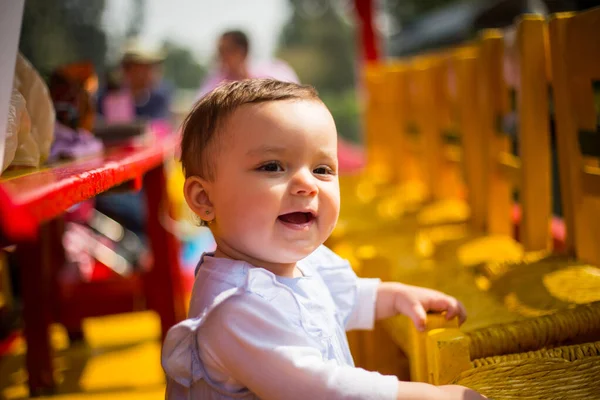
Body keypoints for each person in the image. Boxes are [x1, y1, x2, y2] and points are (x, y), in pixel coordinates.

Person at [161, 79, 486, 400]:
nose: (307, 184)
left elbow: (341, 296)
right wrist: (431, 396)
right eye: (273, 167)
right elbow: (320, 389)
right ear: (204, 198)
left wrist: (393, 296)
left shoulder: (301, 263)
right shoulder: (236, 308)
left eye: (323, 169)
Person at [197, 30, 300, 98]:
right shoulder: (214, 82)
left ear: (243, 51)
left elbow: (294, 96)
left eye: (226, 50)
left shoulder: (273, 72)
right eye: (220, 51)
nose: (221, 56)